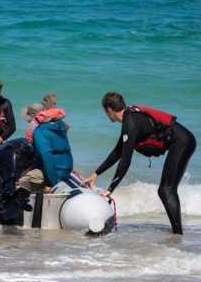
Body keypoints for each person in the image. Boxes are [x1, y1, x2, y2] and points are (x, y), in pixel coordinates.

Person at [83, 92, 196, 234]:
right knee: (167, 190)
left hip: (181, 142)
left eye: (105, 111)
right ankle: (178, 232)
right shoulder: (130, 119)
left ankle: (178, 234)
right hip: (184, 140)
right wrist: (96, 173)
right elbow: (118, 151)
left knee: (166, 190)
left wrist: (109, 190)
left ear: (109, 109)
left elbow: (125, 161)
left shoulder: (130, 124)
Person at [26, 101, 73, 188]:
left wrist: (53, 183)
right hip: (67, 169)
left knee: (21, 180)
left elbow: (46, 157)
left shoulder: (40, 132)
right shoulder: (59, 126)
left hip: (56, 174)